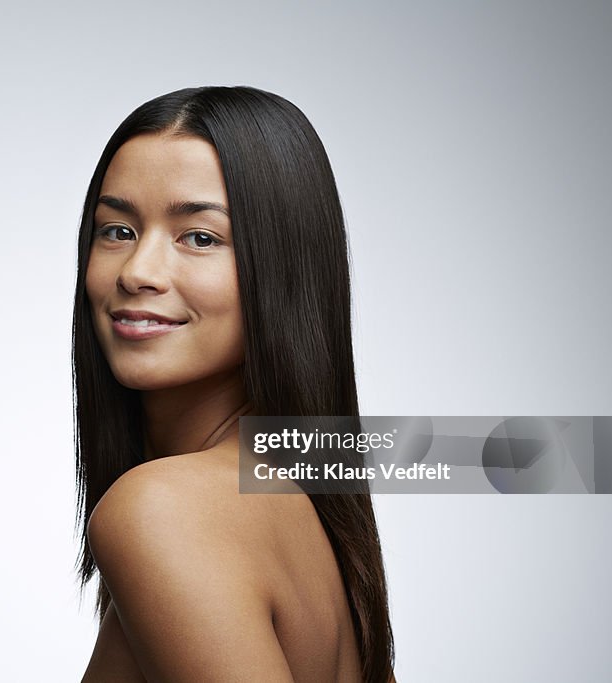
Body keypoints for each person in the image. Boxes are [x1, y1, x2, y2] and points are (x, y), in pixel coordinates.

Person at [72, 86, 395, 682]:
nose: (138, 271)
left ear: (283, 270)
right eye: (116, 230)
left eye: (200, 237)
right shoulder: (294, 498)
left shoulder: (165, 510)